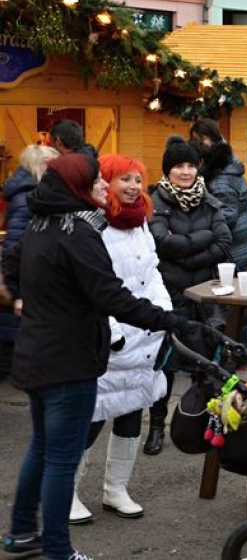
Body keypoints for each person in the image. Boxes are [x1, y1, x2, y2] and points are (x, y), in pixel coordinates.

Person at [1, 153, 188, 560]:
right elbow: (110, 295)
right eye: (97, 182)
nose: (105, 186)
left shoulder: (41, 223)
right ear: (77, 188)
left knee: (42, 449)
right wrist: (168, 320)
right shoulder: (79, 232)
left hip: (37, 355)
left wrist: (26, 298)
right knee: (61, 460)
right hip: (68, 361)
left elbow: (13, 264)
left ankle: (21, 533)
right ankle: (56, 549)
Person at [69, 155, 173, 525]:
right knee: (91, 416)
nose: (132, 186)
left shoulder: (141, 222)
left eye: (137, 179)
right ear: (105, 183)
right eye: (123, 179)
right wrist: (111, 334)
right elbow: (90, 287)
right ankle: (67, 493)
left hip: (145, 334)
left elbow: (153, 272)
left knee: (131, 409)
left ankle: (116, 489)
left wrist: (164, 314)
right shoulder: (93, 226)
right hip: (108, 341)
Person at [144, 136, 232, 455]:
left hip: (203, 297)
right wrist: (203, 239)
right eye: (179, 166)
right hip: (168, 294)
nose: (185, 171)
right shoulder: (156, 200)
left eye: (190, 165)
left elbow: (224, 243)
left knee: (206, 362)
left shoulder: (208, 199)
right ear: (168, 171)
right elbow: (161, 244)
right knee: (163, 363)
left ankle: (202, 426)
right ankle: (156, 426)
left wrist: (186, 255)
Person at [0, 145, 58, 383]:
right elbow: (16, 246)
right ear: (41, 165)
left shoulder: (29, 192)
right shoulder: (27, 197)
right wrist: (18, 292)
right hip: (24, 280)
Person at [189, 119, 247, 270]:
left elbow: (225, 218)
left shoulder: (220, 181)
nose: (198, 145)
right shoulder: (228, 164)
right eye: (194, 140)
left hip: (238, 253)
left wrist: (194, 230)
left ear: (214, 139)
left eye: (202, 139)